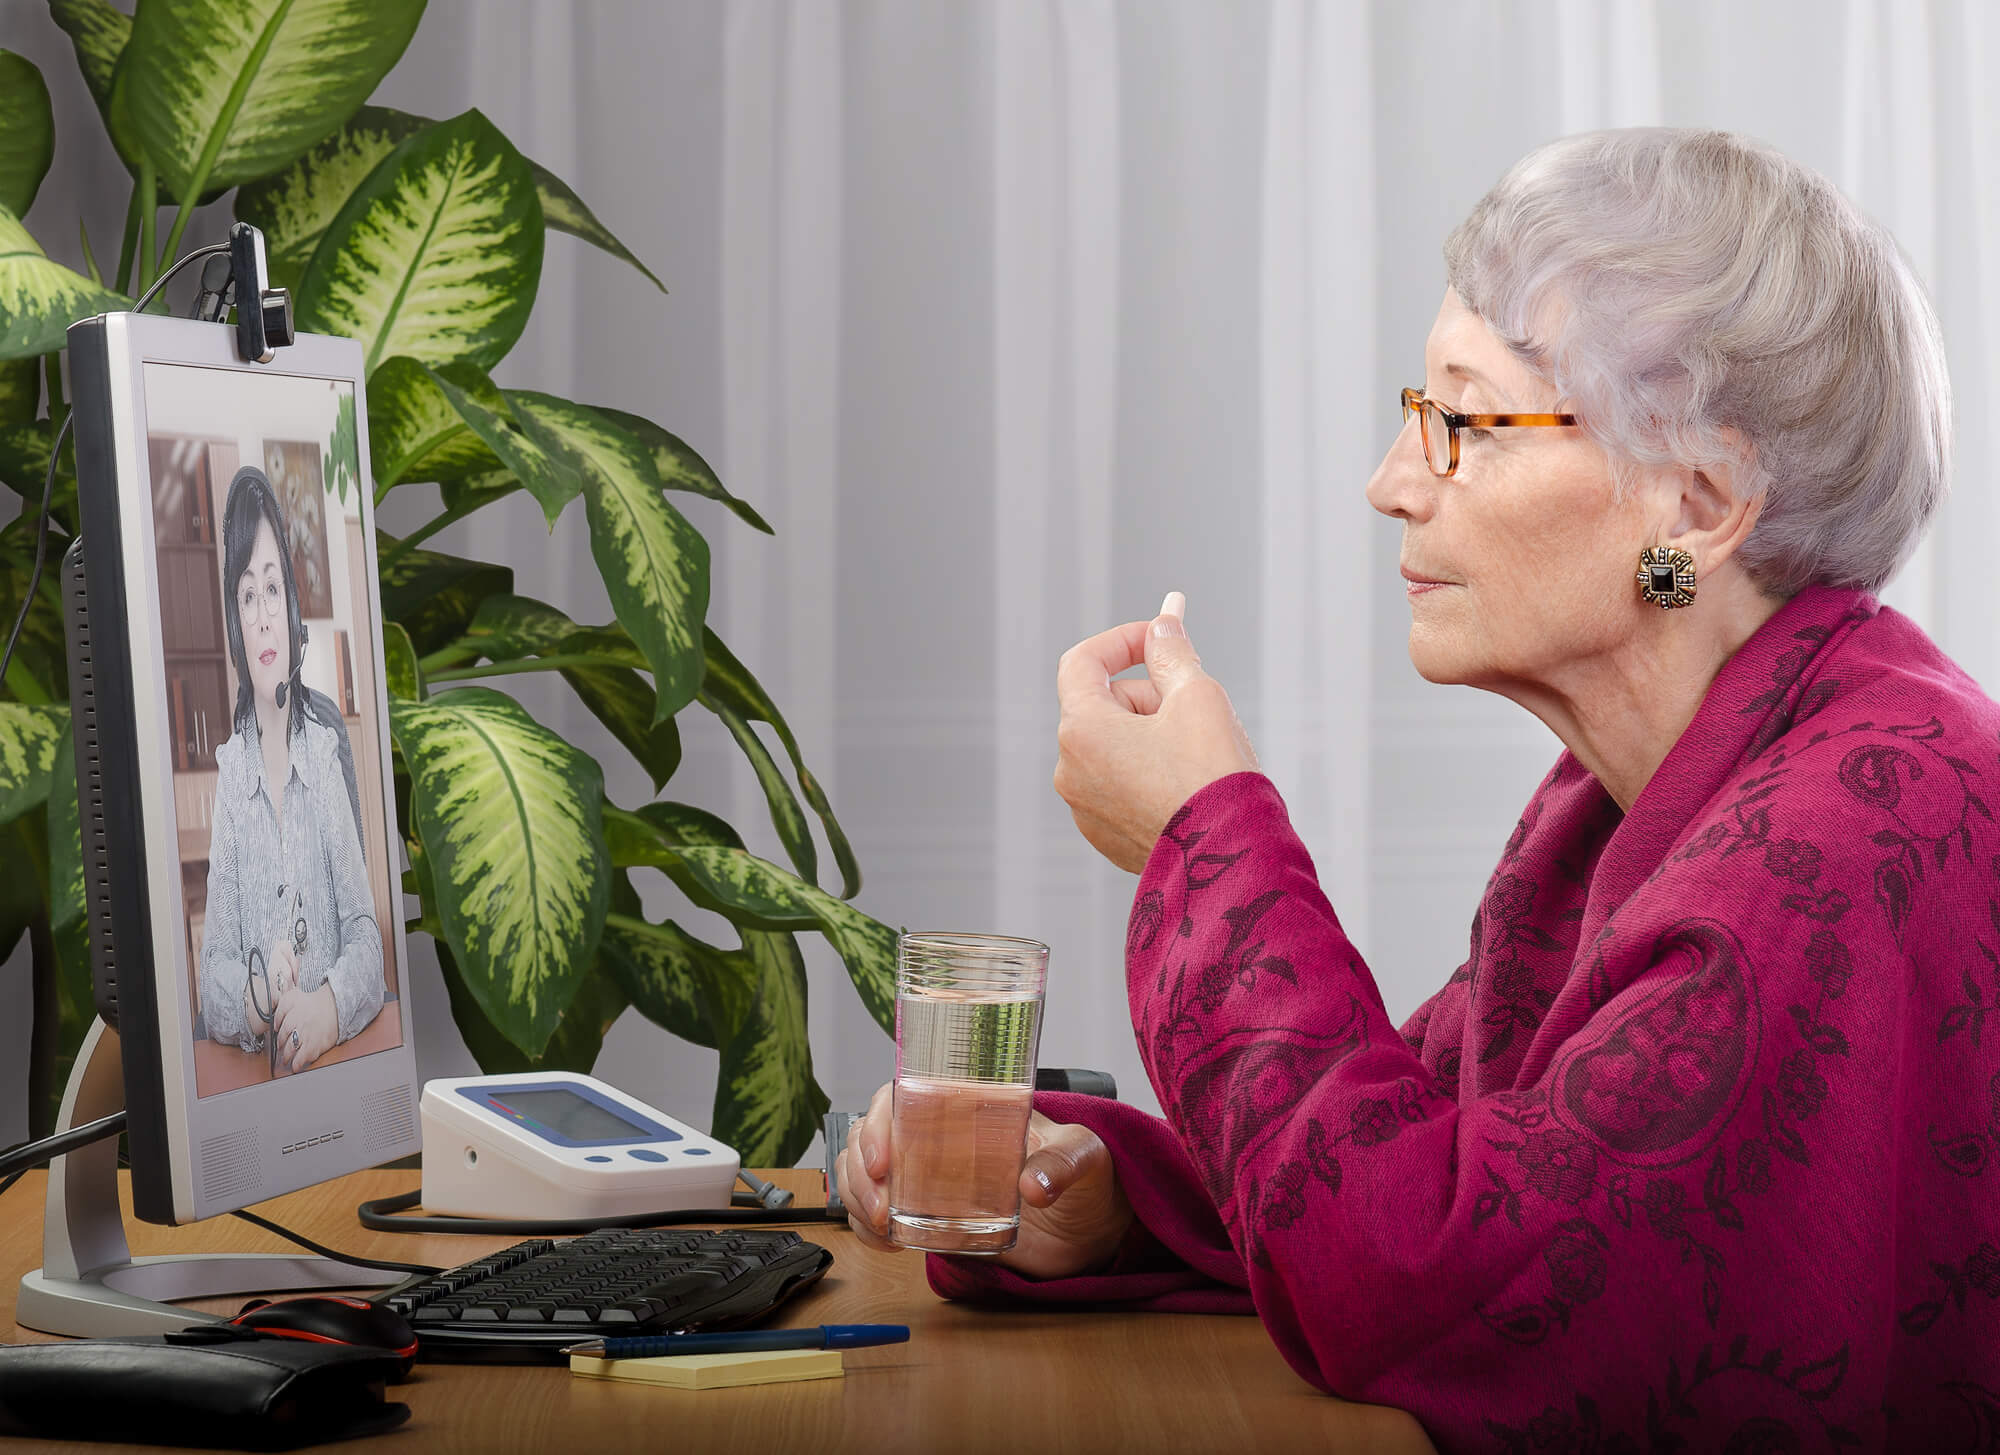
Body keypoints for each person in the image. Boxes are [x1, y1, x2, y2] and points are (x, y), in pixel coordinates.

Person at [837, 129, 2000, 1449]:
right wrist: (1112, 1196)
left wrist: (1203, 838)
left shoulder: (1834, 843)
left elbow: (1441, 1290)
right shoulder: (1651, 783)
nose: (1392, 483)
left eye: (1464, 421)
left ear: (1696, 501)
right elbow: (1451, 1167)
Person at [197, 466, 383, 1075]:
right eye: (247, 595)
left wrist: (325, 1008)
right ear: (236, 622)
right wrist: (259, 999)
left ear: (292, 603)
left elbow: (366, 942)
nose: (263, 614)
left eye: (273, 589)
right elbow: (212, 972)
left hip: (336, 1073)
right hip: (259, 1085)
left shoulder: (325, 752)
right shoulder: (231, 776)